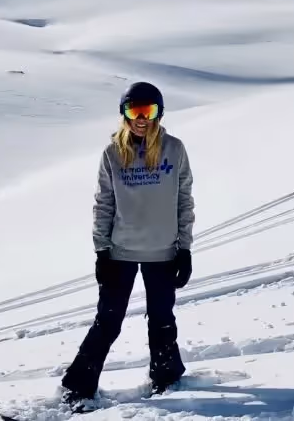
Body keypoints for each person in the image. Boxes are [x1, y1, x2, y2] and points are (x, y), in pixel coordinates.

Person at [60, 81, 195, 406]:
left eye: (147, 110)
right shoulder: (112, 153)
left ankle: (167, 378)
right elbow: (103, 203)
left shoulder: (174, 149)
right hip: (120, 252)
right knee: (107, 320)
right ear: (124, 113)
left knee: (162, 319)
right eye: (134, 110)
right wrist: (101, 251)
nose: (141, 118)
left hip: (162, 251)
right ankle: (78, 385)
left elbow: (184, 199)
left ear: (158, 113)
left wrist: (185, 248)